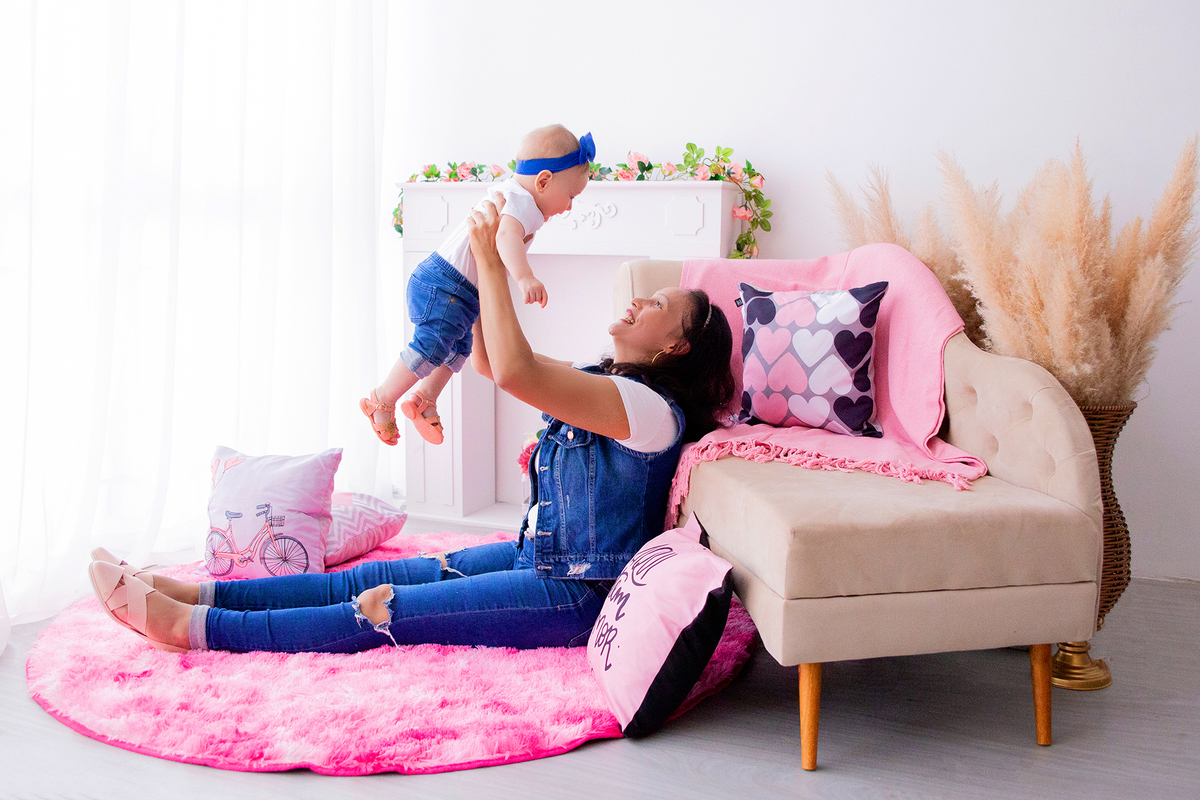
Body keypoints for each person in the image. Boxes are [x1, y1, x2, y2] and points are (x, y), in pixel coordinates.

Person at [88, 194, 735, 654]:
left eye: (654, 305)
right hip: (537, 557)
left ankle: (196, 631)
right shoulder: (603, 383)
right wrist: (472, 279)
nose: (636, 300)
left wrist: (492, 261)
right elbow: (492, 360)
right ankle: (199, 597)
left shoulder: (647, 409)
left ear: (675, 347)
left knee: (382, 610)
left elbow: (514, 372)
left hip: (576, 595)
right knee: (369, 578)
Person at [360, 124, 594, 447]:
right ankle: (380, 399)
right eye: (570, 197)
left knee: (458, 350)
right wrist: (525, 277)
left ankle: (425, 397)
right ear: (543, 181)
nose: (568, 208)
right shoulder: (522, 202)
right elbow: (505, 237)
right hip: (445, 284)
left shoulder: (518, 198)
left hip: (461, 291)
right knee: (431, 345)